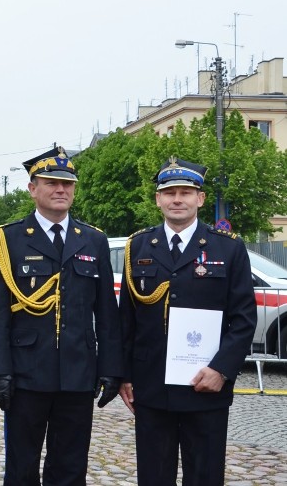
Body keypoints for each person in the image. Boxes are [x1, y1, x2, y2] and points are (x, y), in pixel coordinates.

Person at [0, 146, 122, 485]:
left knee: (71, 467)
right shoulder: (8, 239)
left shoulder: (93, 240)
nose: (61, 190)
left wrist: (111, 369)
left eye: (67, 184)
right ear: (32, 189)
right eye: (51, 183)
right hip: (26, 374)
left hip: (77, 373)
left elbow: (106, 312)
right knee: (21, 466)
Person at [118, 157, 257, 485]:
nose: (177, 199)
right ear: (158, 199)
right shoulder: (137, 246)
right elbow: (126, 319)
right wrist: (123, 375)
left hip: (206, 385)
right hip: (152, 387)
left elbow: (243, 319)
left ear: (200, 199)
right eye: (169, 193)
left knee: (205, 476)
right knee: (153, 476)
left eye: (185, 192)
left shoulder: (230, 249)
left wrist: (221, 370)